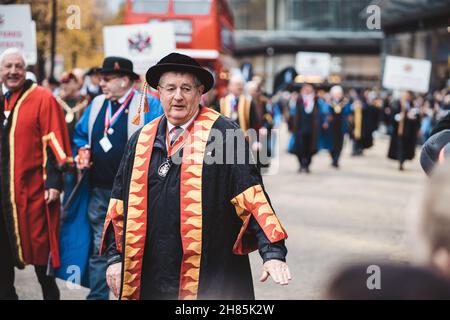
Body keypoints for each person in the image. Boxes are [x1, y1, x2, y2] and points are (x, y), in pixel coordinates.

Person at [100, 52, 291, 300]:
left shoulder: (224, 134)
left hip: (207, 275)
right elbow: (119, 203)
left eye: (186, 88)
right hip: (151, 274)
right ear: (159, 92)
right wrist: (115, 258)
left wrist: (272, 252)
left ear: (200, 92)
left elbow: (252, 196)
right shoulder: (141, 139)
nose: (177, 96)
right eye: (170, 88)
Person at [69, 56, 164, 300]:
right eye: (101, 78)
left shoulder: (149, 105)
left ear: (125, 81)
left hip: (138, 193)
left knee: (139, 247)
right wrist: (81, 150)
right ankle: (98, 297)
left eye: (107, 79)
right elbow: (80, 135)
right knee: (101, 247)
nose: (102, 83)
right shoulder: (97, 103)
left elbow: (163, 141)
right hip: (100, 191)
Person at [0, 48, 73, 300]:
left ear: (25, 68)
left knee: (43, 263)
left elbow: (54, 141)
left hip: (33, 194)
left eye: (18, 66)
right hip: (2, 199)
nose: (12, 71)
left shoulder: (42, 98)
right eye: (7, 66)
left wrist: (54, 182)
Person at [291, 84, 327, 173]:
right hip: (300, 129)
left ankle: (307, 165)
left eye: (309, 89)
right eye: (305, 89)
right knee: (299, 148)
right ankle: (301, 164)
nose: (307, 90)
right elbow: (292, 113)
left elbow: (322, 113)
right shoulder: (298, 100)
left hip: (312, 129)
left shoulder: (317, 101)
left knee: (310, 149)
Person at [387, 91, 421, 171]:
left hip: (409, 131)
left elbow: (417, 117)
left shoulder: (412, 105)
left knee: (406, 147)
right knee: (400, 146)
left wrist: (412, 117)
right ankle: (400, 161)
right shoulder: (396, 104)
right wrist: (401, 116)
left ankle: (403, 160)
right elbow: (393, 116)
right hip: (399, 131)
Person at [320, 85, 351, 168]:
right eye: (335, 93)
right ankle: (333, 157)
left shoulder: (345, 103)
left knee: (340, 144)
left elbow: (348, 113)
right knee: (331, 144)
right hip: (331, 127)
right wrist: (326, 121)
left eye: (339, 93)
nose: (337, 95)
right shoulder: (328, 103)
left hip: (341, 126)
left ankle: (336, 159)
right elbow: (324, 112)